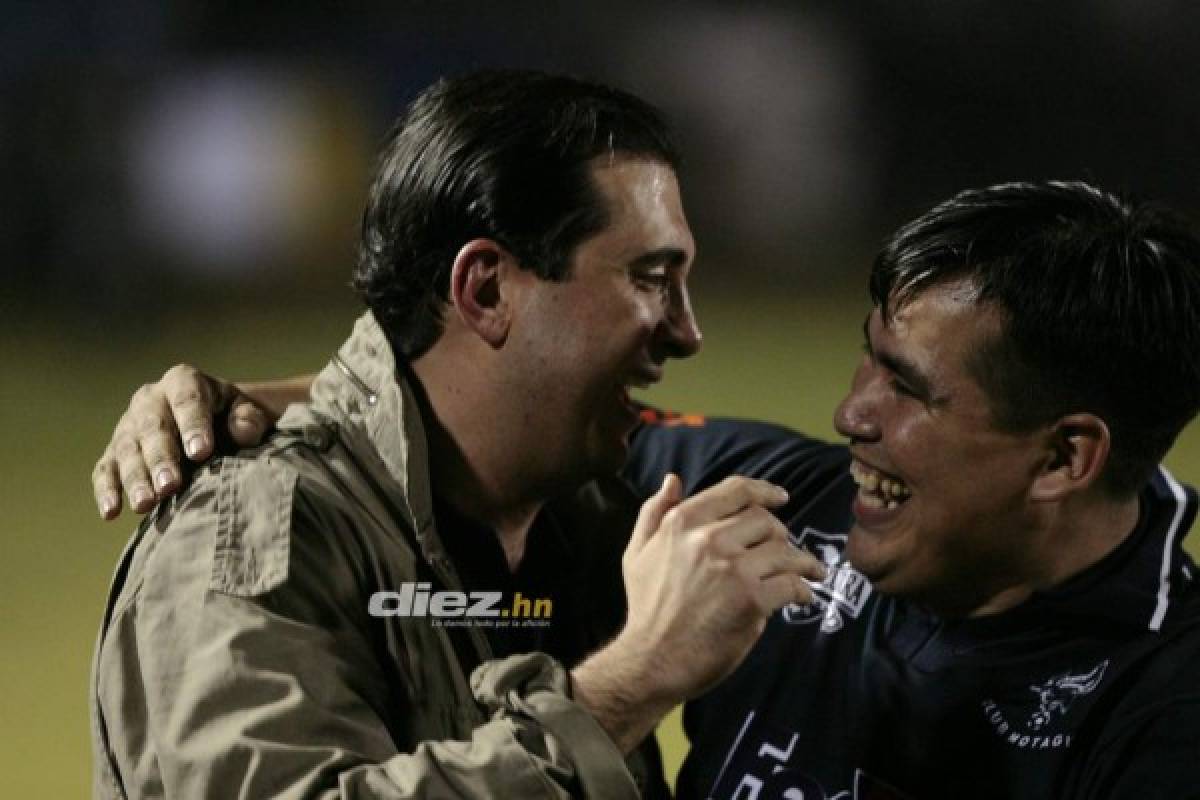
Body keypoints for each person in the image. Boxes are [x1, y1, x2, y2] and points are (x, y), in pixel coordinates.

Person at [99, 180, 1200, 798]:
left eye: (909, 389)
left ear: (1065, 457)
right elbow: (478, 430)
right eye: (868, 357)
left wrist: (618, 688)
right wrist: (237, 397)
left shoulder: (1161, 706)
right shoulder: (778, 502)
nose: (852, 411)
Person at [88, 70, 825, 800]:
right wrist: (628, 684)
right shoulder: (253, 524)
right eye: (649, 277)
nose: (687, 334)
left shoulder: (585, 520)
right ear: (487, 290)